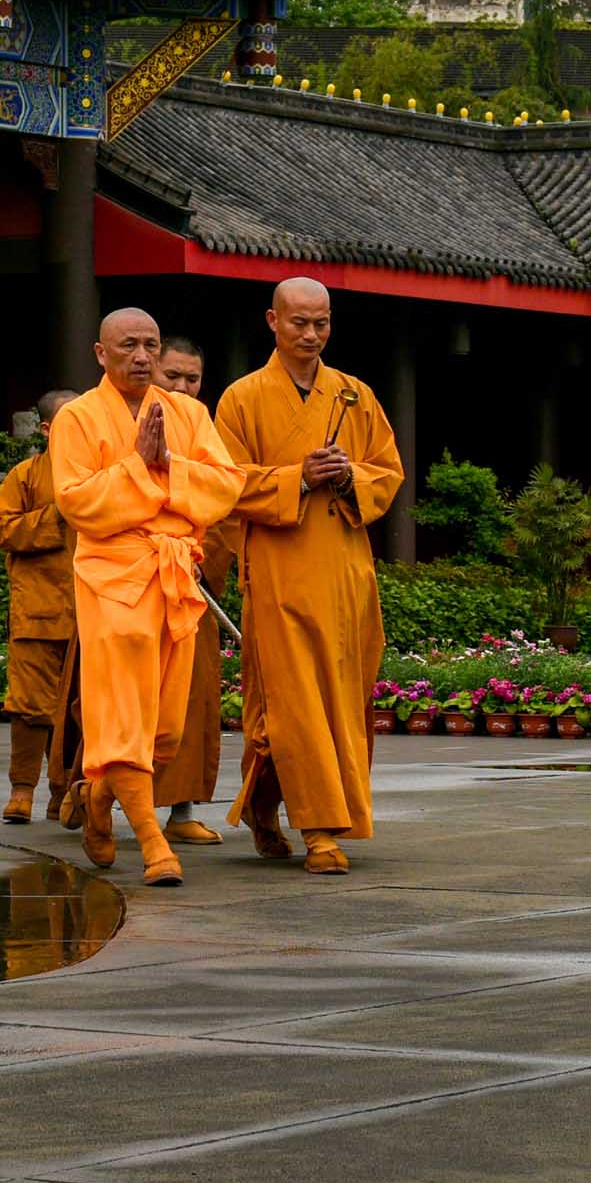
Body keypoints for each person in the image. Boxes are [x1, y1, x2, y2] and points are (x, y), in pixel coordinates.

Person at [47, 308, 246, 886]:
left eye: (150, 346)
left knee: (164, 733)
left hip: (174, 576)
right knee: (122, 721)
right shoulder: (78, 418)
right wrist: (142, 469)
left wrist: (167, 465)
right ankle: (156, 846)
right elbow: (78, 502)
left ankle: (99, 793)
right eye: (128, 345)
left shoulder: (190, 414)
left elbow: (225, 485)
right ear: (100, 353)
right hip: (113, 579)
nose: (141, 356)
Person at [215, 279, 408, 876]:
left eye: (321, 323)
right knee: (292, 704)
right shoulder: (241, 399)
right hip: (279, 570)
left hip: (345, 571)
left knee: (339, 701)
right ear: (272, 321)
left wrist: (349, 476)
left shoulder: (354, 394)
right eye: (299, 322)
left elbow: (388, 470)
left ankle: (264, 807)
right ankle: (321, 830)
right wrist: (296, 476)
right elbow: (224, 482)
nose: (311, 334)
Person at [150, 336, 234, 848]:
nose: (183, 387)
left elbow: (226, 502)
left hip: (192, 585)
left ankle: (180, 810)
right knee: (120, 699)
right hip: (136, 583)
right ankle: (87, 791)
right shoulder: (125, 421)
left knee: (192, 700)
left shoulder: (207, 432)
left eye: (192, 378)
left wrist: (204, 560)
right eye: (172, 376)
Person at [0, 389, 84, 827]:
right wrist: (56, 516)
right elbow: (2, 529)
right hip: (39, 610)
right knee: (28, 706)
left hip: (89, 614)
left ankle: (64, 794)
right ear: (46, 429)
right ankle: (21, 790)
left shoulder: (99, 473)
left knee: (81, 712)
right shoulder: (25, 475)